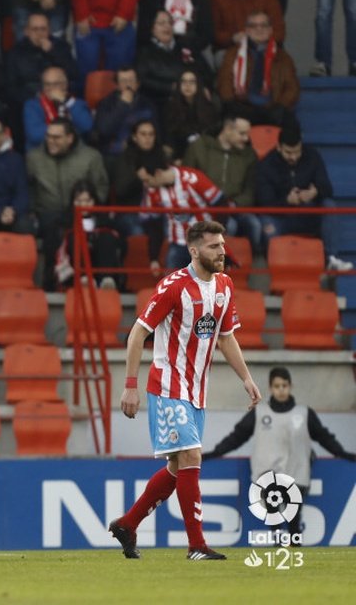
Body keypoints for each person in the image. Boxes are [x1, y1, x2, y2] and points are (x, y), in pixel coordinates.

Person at [109, 220, 262, 561]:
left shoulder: (224, 285)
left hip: (196, 391)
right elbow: (137, 334)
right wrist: (130, 387)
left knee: (179, 468)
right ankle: (196, 546)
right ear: (194, 250)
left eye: (222, 245)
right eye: (213, 247)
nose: (222, 252)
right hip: (167, 386)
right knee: (192, 456)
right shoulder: (173, 287)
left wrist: (247, 379)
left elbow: (225, 337)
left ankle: (128, 524)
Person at [204, 366, 356, 538]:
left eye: (284, 385)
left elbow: (324, 437)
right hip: (268, 474)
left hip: (296, 473)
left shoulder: (304, 414)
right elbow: (237, 437)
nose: (281, 390)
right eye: (277, 386)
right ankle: (279, 543)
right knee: (274, 508)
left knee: (293, 517)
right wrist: (213, 453)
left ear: (290, 386)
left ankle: (292, 545)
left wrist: (343, 453)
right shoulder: (260, 413)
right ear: (270, 388)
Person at [256, 126, 353, 272]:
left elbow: (327, 189)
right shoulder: (267, 165)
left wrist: (315, 192)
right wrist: (287, 201)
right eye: (288, 152)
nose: (293, 157)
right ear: (279, 147)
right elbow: (264, 202)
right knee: (267, 224)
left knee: (329, 205)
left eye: (297, 152)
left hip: (307, 213)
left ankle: (330, 259)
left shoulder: (312, 156)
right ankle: (277, 268)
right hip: (281, 217)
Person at [26, 117, 109, 289]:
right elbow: (28, 188)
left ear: (69, 138)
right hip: (48, 214)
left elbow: (100, 188)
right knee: (52, 231)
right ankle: (50, 284)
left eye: (56, 137)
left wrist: (88, 208)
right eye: (48, 136)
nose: (51, 141)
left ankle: (99, 281)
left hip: (81, 212)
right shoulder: (34, 157)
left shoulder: (91, 157)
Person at [183, 114, 262, 253]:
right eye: (242, 133)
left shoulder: (249, 155)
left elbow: (250, 190)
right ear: (227, 129)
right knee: (228, 226)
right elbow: (186, 181)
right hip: (205, 207)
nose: (246, 138)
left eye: (247, 134)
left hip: (235, 207)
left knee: (254, 225)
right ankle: (220, 266)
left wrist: (233, 204)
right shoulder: (199, 147)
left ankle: (252, 265)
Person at [216, 10, 300, 127]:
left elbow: (292, 88)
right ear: (246, 30)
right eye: (253, 26)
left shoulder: (283, 57)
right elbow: (225, 80)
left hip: (272, 109)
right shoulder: (233, 53)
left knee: (290, 126)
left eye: (263, 25)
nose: (259, 29)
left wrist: (281, 106)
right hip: (242, 108)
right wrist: (231, 103)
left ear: (270, 30)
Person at [139, 156, 223, 272]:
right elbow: (155, 226)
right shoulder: (153, 191)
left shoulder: (192, 178)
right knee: (171, 286)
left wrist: (215, 238)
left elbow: (221, 203)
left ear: (158, 173)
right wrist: (154, 258)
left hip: (204, 243)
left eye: (147, 180)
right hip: (177, 244)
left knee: (207, 286)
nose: (146, 185)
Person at [136, 10, 212, 113]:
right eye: (161, 23)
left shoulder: (186, 46)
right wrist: (171, 88)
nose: (167, 26)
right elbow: (142, 80)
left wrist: (202, 87)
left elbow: (206, 71)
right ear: (152, 28)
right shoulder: (145, 52)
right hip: (161, 101)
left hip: (192, 98)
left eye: (170, 23)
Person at [54, 180, 124, 290]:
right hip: (75, 269)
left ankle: (106, 279)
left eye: (87, 201)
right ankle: (83, 280)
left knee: (106, 237)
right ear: (73, 201)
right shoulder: (64, 222)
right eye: (79, 201)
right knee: (75, 238)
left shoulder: (105, 221)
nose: (83, 205)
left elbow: (121, 243)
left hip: (99, 263)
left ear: (94, 201)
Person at [5, 12, 79, 105]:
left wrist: (52, 52)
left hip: (58, 97)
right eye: (35, 29)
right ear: (26, 31)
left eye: (43, 29)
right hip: (29, 100)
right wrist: (35, 96)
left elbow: (73, 74)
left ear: (49, 30)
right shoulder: (16, 52)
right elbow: (11, 88)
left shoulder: (61, 47)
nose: (39, 33)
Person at [91, 66, 158, 159]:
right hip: (114, 154)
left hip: (142, 152)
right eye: (123, 81)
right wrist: (122, 106)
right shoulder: (106, 103)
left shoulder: (147, 104)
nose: (127, 85)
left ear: (137, 83)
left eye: (131, 80)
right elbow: (104, 131)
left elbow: (155, 131)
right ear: (117, 85)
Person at [23, 66, 93, 151]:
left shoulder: (76, 103)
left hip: (73, 151)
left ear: (65, 85)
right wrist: (71, 131)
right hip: (43, 152)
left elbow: (87, 127)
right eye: (47, 84)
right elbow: (35, 135)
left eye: (56, 84)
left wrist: (67, 102)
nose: (51, 88)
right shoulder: (32, 105)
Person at [162, 69, 221, 160]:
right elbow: (169, 140)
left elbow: (213, 138)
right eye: (183, 82)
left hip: (205, 156)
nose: (187, 85)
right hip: (179, 158)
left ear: (199, 85)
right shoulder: (170, 108)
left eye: (192, 82)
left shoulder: (209, 109)